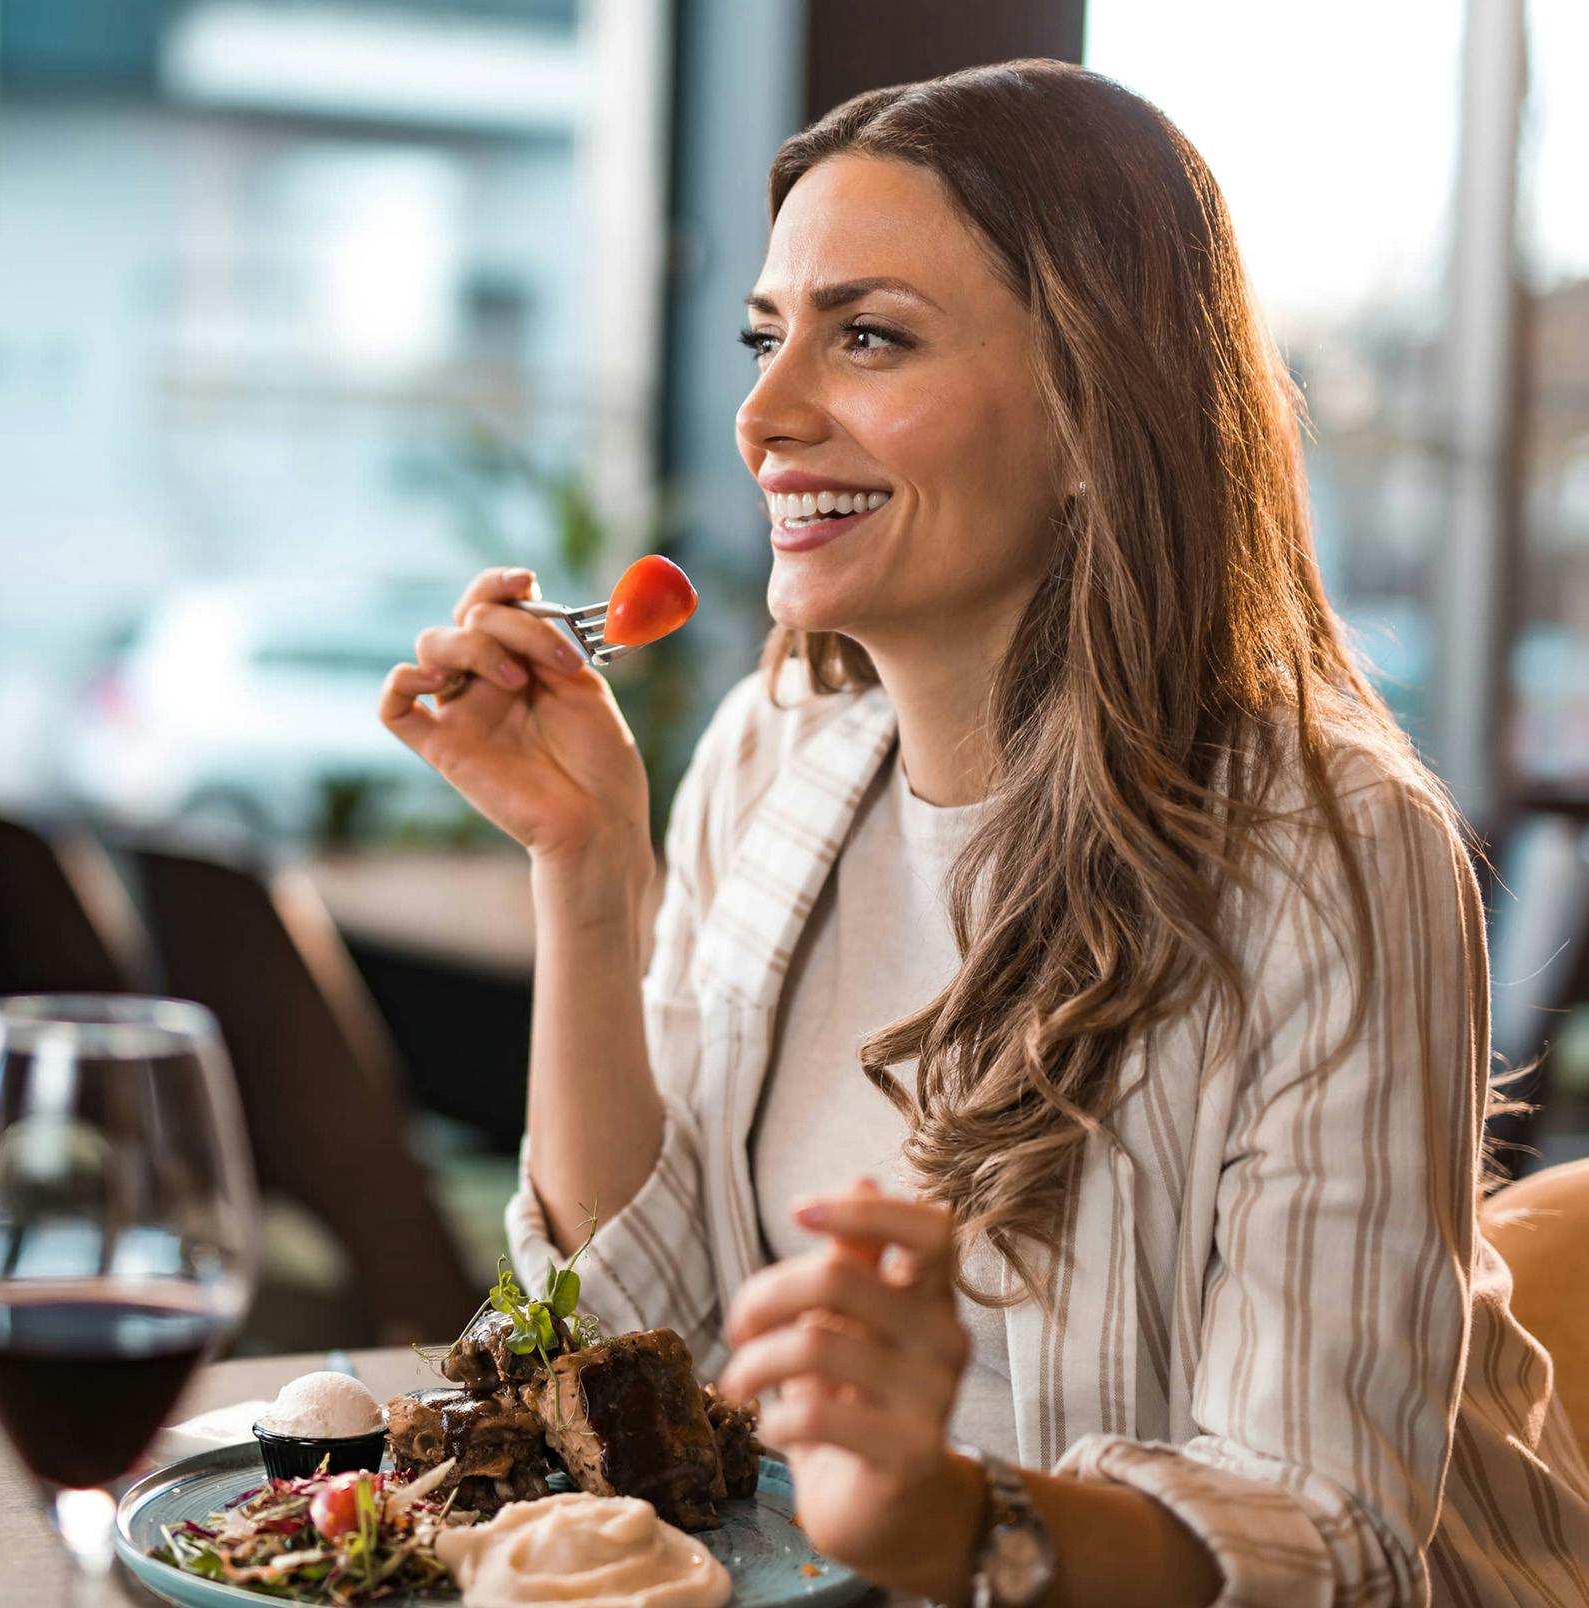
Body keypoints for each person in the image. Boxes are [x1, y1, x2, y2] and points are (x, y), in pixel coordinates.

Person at [381, 59, 1589, 1608]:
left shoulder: (1330, 847)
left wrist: (951, 1522)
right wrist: (585, 872)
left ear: (1097, 413)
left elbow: (1324, 1532)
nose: (764, 415)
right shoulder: (774, 754)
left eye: (866, 337)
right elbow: (644, 1338)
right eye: (767, 339)